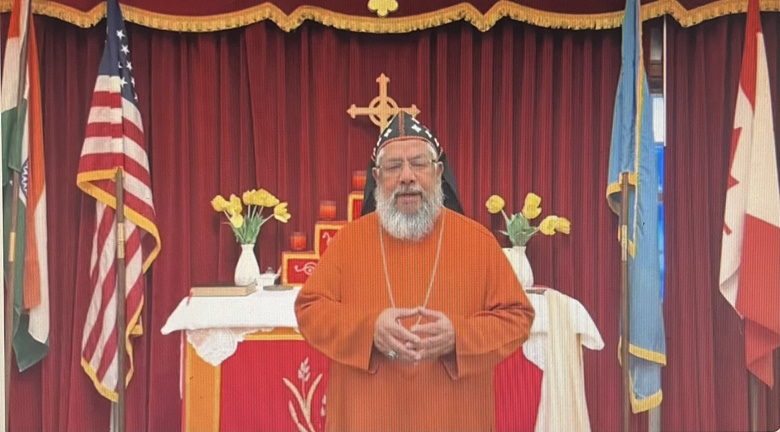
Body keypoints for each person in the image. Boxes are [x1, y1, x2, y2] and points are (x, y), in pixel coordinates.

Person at [294, 112, 535, 432]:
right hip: (368, 418)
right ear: (377, 177)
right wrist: (369, 330)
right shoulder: (348, 242)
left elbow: (518, 317)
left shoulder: (477, 242)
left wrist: (458, 336)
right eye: (394, 166)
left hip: (453, 418)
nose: (407, 176)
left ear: (438, 171)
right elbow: (310, 310)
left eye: (418, 163)